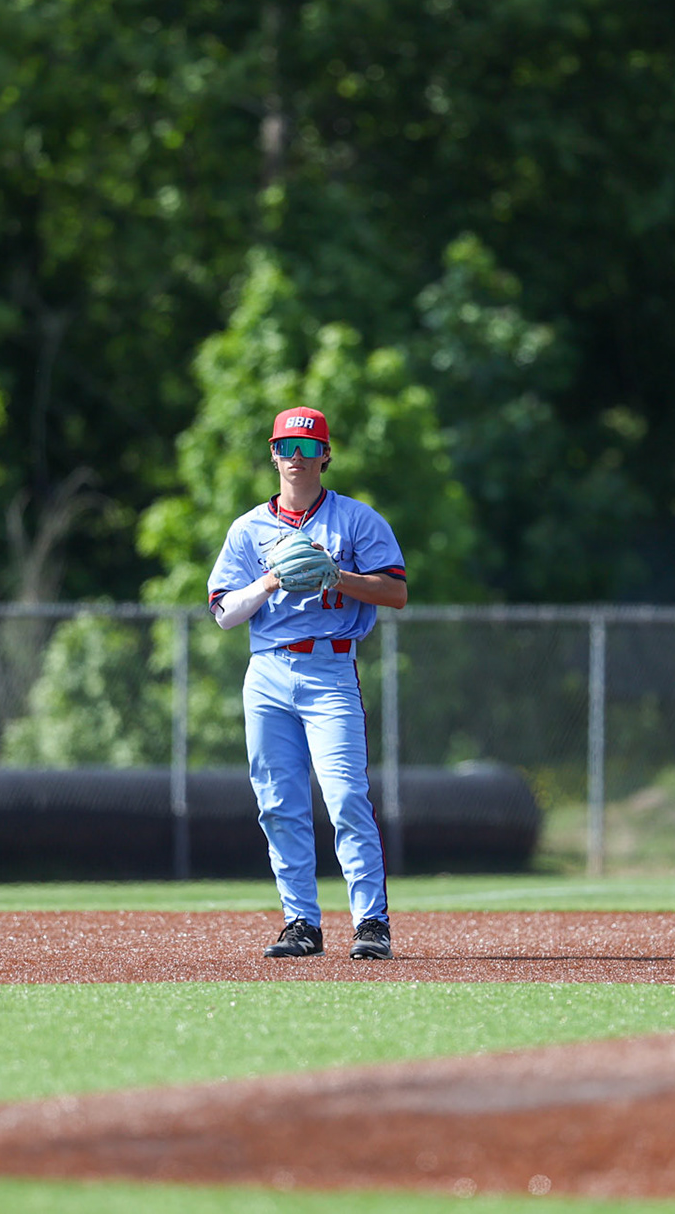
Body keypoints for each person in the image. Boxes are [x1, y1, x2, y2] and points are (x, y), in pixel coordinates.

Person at [207, 407, 408, 960]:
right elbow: (224, 613)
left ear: (325, 454)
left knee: (346, 797)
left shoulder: (356, 520)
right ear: (273, 454)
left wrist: (334, 575)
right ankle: (301, 922)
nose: (296, 459)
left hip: (330, 668)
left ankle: (371, 922)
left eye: (308, 448)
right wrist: (273, 577)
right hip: (268, 670)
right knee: (278, 803)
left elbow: (395, 593)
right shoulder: (249, 528)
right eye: (286, 449)